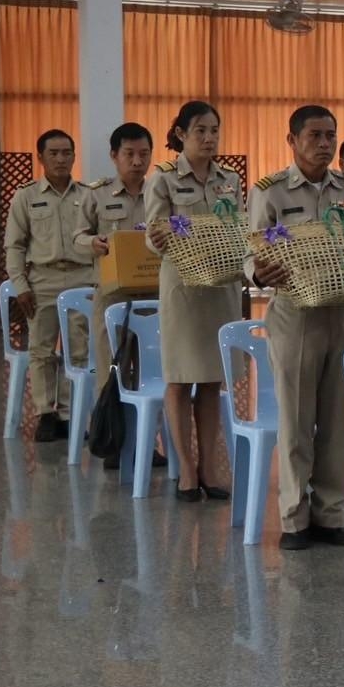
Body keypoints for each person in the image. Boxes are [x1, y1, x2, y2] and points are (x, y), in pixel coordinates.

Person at [249, 106, 344, 550]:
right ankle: (295, 517)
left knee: (340, 420)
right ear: (293, 140)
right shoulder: (271, 192)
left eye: (330, 135)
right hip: (295, 313)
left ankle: (332, 513)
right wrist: (258, 273)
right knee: (297, 418)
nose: (325, 143)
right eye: (315, 135)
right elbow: (252, 247)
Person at [144, 102, 242, 502]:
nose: (209, 138)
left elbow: (239, 223)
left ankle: (209, 467)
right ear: (181, 134)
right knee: (180, 378)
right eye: (200, 130)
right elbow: (152, 233)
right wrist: (163, 236)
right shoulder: (164, 179)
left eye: (214, 130)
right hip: (183, 288)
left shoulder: (229, 178)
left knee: (211, 379)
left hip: (220, 287)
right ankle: (185, 465)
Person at [75, 123, 168, 470]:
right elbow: (77, 236)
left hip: (154, 296)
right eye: (129, 154)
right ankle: (113, 442)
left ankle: (148, 443)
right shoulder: (96, 194)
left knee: (149, 372)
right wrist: (93, 243)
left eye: (144, 153)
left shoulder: (160, 191)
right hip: (112, 298)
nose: (137, 161)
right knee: (112, 371)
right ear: (114, 156)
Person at [4, 129, 93, 442]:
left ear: (73, 156)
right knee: (41, 350)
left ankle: (70, 413)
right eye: (53, 153)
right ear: (40, 157)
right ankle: (46, 413)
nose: (61, 159)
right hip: (42, 280)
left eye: (67, 152)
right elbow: (14, 246)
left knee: (78, 349)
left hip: (83, 278)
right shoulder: (26, 196)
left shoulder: (88, 195)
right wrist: (21, 286)